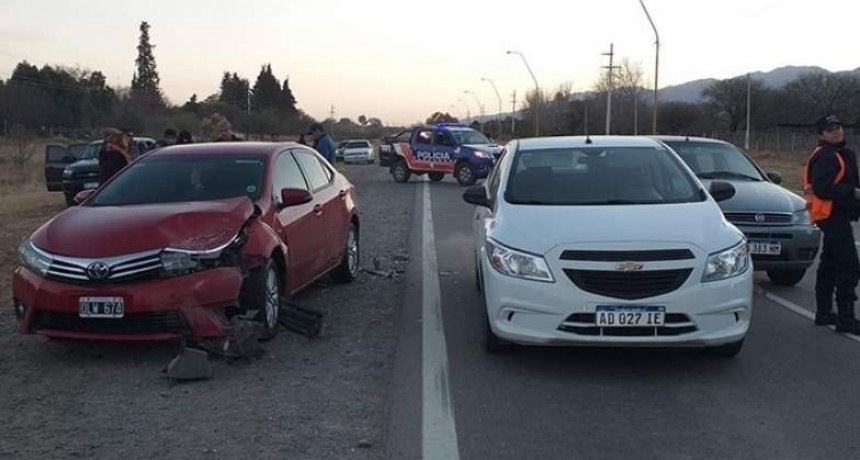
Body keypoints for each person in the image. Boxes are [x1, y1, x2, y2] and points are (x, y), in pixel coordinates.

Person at [805, 114, 860, 333]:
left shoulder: (842, 154)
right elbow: (823, 188)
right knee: (849, 267)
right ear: (822, 134)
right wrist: (852, 192)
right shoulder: (827, 156)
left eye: (838, 127)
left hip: (835, 215)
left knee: (829, 264)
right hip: (831, 216)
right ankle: (846, 318)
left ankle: (824, 312)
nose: (836, 131)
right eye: (830, 129)